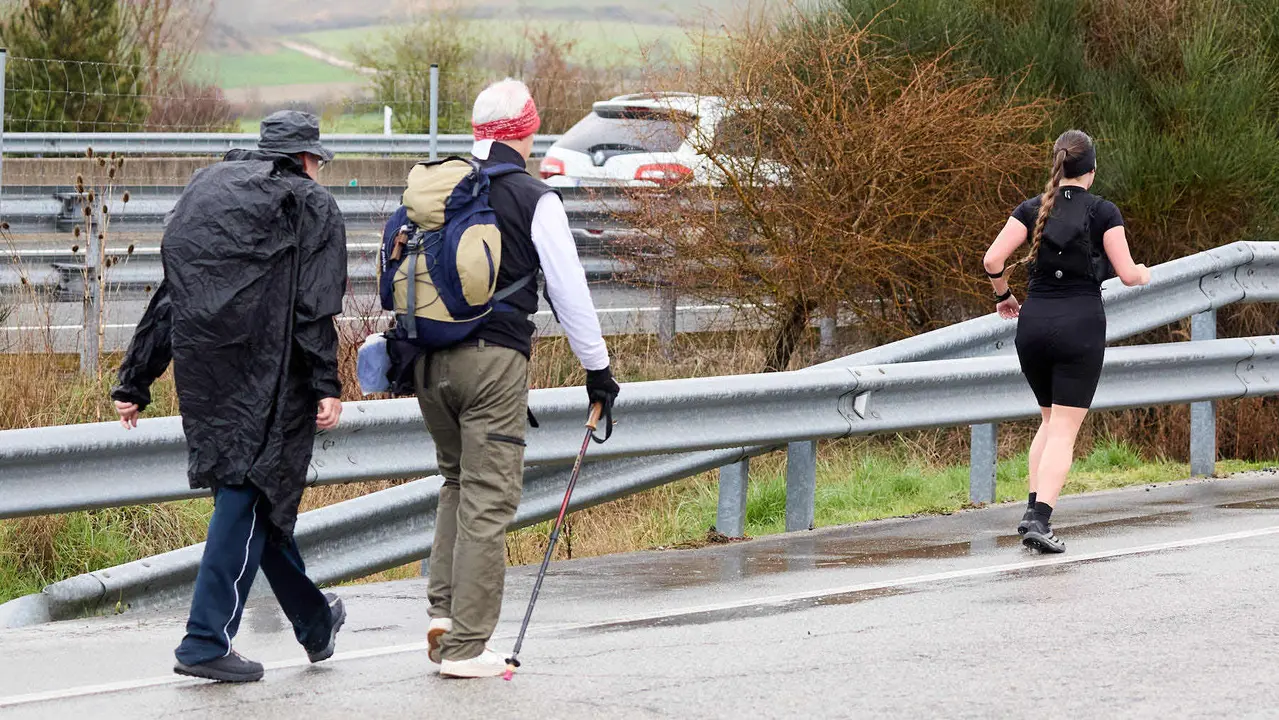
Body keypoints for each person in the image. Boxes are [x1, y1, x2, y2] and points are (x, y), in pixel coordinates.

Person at [110, 110, 350, 682]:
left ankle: (315, 621)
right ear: (307, 159)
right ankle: (203, 641)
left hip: (208, 375)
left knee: (254, 501)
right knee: (246, 496)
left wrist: (136, 379)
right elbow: (314, 306)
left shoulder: (207, 191)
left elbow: (173, 294)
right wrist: (325, 383)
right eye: (318, 161)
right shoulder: (311, 204)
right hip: (273, 377)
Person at [410, 79, 620, 679]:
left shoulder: (437, 186)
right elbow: (569, 294)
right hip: (493, 363)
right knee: (489, 496)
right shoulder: (534, 197)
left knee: (455, 482)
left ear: (477, 132)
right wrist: (598, 370)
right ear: (526, 132)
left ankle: (445, 615)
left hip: (425, 360)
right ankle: (468, 648)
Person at [982, 129, 1150, 554]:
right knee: (1065, 429)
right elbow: (1129, 275)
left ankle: (1029, 512)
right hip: (1080, 326)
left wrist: (1004, 296)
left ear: (1057, 166)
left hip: (1033, 325)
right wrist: (1145, 271)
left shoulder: (1031, 208)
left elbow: (992, 259)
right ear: (1091, 170)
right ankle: (1041, 520)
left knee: (1049, 421)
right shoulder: (1103, 212)